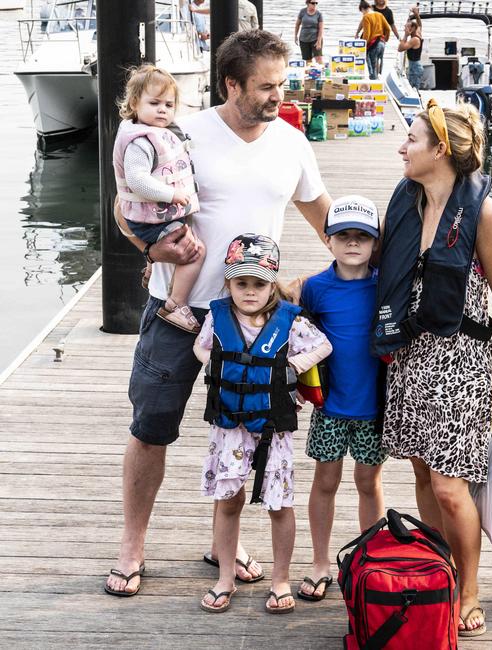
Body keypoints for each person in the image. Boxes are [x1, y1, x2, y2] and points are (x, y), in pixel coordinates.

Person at [104, 29, 331, 598]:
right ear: (231, 84)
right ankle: (132, 547)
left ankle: (223, 544)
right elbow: (124, 205)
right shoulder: (184, 134)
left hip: (255, 319)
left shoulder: (290, 141)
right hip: (179, 309)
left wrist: (374, 274)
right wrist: (147, 247)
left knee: (247, 429)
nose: (278, 95)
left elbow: (325, 218)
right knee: (151, 426)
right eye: (265, 86)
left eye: (282, 83)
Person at [372, 99, 492, 637]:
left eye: (411, 138)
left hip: (459, 361)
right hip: (410, 358)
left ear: (440, 149)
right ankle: (438, 569)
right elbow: (367, 261)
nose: (402, 147)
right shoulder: (406, 203)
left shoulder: (485, 213)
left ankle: (471, 586)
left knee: (450, 487)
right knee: (419, 473)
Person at [194, 233, 332, 614]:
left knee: (279, 504)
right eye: (241, 283)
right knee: (227, 500)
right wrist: (215, 365)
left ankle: (280, 578)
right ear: (229, 283)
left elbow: (323, 345)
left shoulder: (290, 321)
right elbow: (201, 345)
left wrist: (292, 367)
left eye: (258, 283)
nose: (250, 291)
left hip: (273, 429)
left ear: (272, 283)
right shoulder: (218, 316)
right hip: (229, 429)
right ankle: (225, 576)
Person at [296, 196, 386, 602]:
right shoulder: (315, 288)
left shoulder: (386, 286)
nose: (353, 244)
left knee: (368, 481)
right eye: (343, 236)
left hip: (373, 409)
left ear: (374, 243)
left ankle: (371, 556)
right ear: (328, 240)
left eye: (362, 237)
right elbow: (303, 334)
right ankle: (319, 563)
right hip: (330, 407)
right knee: (326, 481)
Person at [113, 64, 205, 334]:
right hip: (148, 219)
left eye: (168, 104)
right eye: (154, 103)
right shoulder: (140, 142)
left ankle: (155, 270)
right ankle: (175, 305)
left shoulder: (164, 134)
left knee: (185, 242)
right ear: (134, 104)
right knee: (195, 253)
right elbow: (137, 180)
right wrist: (172, 194)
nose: (163, 109)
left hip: (158, 215)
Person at [356, 1, 390, 80]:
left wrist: (363, 46)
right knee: (377, 64)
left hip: (373, 45)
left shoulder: (366, 17)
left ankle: (374, 85)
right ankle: (378, 81)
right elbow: (388, 28)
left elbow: (367, 34)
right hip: (381, 43)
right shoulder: (379, 15)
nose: (362, 14)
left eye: (362, 12)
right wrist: (386, 39)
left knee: (372, 68)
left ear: (363, 9)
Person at [398, 12, 423, 90]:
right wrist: (416, 15)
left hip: (414, 68)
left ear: (412, 29)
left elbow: (400, 48)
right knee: (413, 89)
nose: (404, 29)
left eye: (406, 27)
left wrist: (405, 35)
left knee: (413, 89)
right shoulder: (418, 33)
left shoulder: (414, 39)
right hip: (415, 66)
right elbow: (419, 25)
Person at [294, 0, 324, 64]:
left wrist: (319, 41)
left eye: (316, 3)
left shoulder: (319, 14)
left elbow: (321, 28)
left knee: (319, 58)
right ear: (308, 3)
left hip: (315, 39)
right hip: (303, 39)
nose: (315, 4)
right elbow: (297, 24)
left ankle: (322, 71)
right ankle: (311, 73)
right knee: (308, 60)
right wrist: (295, 36)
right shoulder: (302, 12)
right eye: (313, 3)